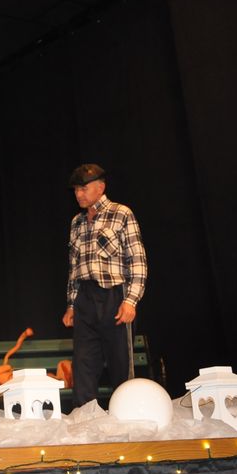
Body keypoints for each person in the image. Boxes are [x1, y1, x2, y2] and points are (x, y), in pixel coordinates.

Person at [61, 164, 147, 408]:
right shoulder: (77, 222)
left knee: (120, 363)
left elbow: (137, 260)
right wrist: (71, 304)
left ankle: (127, 413)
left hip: (114, 296)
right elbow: (74, 268)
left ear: (101, 186)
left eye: (83, 188)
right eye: (76, 190)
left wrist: (130, 301)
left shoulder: (121, 213)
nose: (79, 194)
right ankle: (84, 417)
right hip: (85, 298)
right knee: (84, 363)